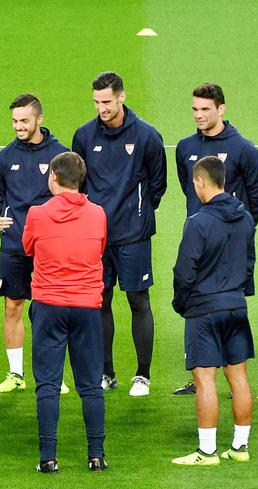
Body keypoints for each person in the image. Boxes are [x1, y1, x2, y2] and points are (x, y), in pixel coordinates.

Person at [72, 72, 167, 397]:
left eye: (107, 102)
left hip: (133, 235)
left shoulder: (146, 136)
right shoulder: (84, 136)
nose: (102, 108)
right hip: (95, 236)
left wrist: (135, 215)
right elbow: (79, 186)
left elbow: (158, 185)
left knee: (138, 300)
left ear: (122, 97)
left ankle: (142, 375)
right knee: (100, 301)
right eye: (97, 102)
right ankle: (106, 372)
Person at [171, 83, 258, 395]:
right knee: (200, 304)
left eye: (205, 110)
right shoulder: (185, 147)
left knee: (225, 302)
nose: (199, 115)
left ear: (221, 109)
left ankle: (227, 376)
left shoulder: (244, 149)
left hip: (228, 246)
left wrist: (238, 230)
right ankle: (202, 373)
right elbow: (188, 188)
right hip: (197, 237)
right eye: (195, 109)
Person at [23, 152, 108, 472]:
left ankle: (48, 457)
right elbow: (99, 248)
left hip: (49, 305)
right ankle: (96, 455)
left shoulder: (37, 214)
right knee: (89, 385)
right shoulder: (98, 214)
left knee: (47, 384)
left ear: (54, 177)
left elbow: (28, 247)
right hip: (86, 306)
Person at [170, 157, 255, 465]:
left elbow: (184, 272)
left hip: (204, 309)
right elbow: (249, 263)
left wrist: (182, 303)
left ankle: (207, 452)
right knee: (239, 377)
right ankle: (240, 448)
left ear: (200, 182)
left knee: (205, 379)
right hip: (235, 305)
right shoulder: (245, 218)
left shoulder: (198, 222)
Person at [0, 93, 68, 392]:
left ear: (39, 119)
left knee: (50, 310)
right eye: (14, 121)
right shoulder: (6, 157)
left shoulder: (59, 155)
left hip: (49, 246)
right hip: (14, 246)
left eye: (24, 120)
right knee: (12, 306)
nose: (18, 126)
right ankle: (16, 375)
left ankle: (52, 377)